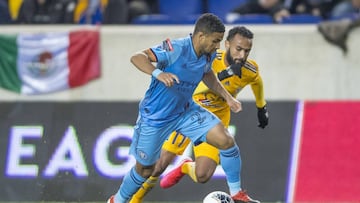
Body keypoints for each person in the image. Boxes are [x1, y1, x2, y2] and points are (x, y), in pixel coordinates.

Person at [107, 13, 244, 203]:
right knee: (146, 169)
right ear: (201, 36)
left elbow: (207, 73)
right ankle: (118, 200)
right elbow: (137, 57)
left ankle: (237, 194)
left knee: (225, 140)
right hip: (156, 117)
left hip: (185, 111)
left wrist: (227, 98)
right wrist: (158, 73)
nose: (217, 47)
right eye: (215, 41)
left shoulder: (208, 54)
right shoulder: (175, 48)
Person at [129, 26, 268, 203]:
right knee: (158, 165)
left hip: (215, 119)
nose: (242, 55)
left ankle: (186, 167)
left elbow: (257, 83)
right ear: (227, 45)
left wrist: (261, 108)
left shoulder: (249, 69)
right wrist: (225, 74)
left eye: (247, 51)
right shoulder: (209, 58)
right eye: (238, 49)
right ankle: (133, 201)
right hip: (189, 112)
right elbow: (196, 83)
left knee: (203, 175)